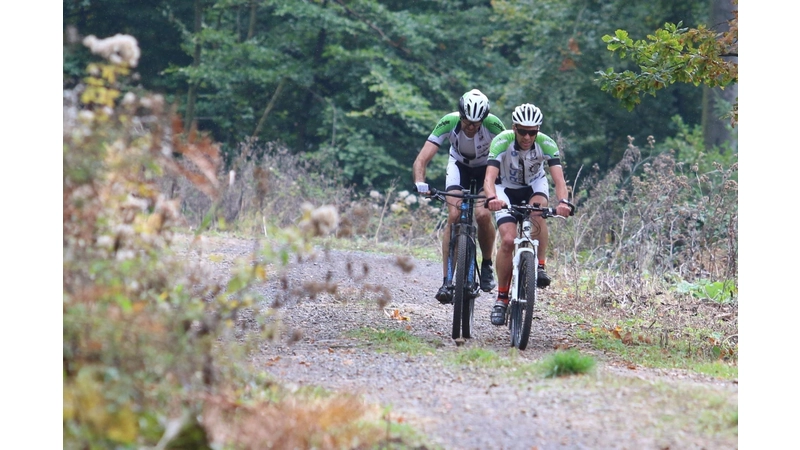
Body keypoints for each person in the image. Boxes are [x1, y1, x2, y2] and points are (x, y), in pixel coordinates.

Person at [483, 103, 575, 325]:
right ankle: (502, 298)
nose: (527, 136)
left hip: (534, 185)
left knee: (538, 212)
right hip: (504, 187)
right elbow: (489, 178)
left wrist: (563, 202)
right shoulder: (501, 141)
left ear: (538, 130)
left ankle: (540, 266)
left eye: (532, 132)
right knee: (507, 240)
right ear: (514, 128)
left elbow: (559, 181)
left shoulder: (546, 144)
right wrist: (491, 199)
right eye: (522, 131)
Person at [413, 89, 507, 303]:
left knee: (483, 215)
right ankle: (447, 280)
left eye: (476, 124)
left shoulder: (494, 124)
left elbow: (509, 153)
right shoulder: (448, 121)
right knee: (454, 215)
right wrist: (420, 182)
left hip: (486, 168)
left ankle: (486, 264)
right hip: (459, 165)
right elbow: (421, 159)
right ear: (460, 115)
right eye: (467, 122)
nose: (471, 127)